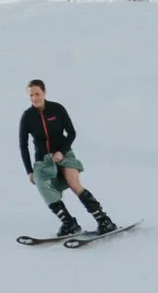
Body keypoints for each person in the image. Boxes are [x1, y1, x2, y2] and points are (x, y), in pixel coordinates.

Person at [19, 79, 118, 237]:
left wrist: (61, 151)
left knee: (74, 183)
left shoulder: (57, 109)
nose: (34, 98)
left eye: (37, 94)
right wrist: (29, 171)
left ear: (44, 92)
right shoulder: (27, 117)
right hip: (43, 161)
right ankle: (69, 223)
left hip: (64, 154)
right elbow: (23, 146)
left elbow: (71, 133)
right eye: (31, 95)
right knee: (42, 185)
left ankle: (104, 220)